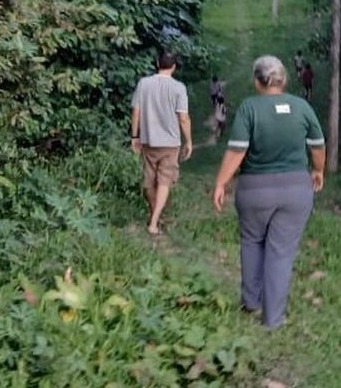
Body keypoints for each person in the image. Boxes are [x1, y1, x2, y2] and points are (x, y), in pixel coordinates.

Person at [212, 55, 326, 329]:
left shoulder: (250, 108)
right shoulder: (301, 107)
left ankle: (251, 302)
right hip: (296, 191)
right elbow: (318, 145)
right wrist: (318, 170)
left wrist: (221, 182)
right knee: (281, 252)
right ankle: (273, 319)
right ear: (284, 79)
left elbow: (237, 150)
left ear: (256, 81)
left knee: (252, 241)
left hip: (255, 190)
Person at [131, 51, 192, 235]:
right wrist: (188, 141)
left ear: (157, 63)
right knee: (164, 181)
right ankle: (154, 221)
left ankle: (154, 214)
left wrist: (135, 136)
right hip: (170, 142)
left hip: (148, 139)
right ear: (174, 67)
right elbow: (183, 118)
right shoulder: (178, 88)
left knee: (149, 181)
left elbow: (135, 111)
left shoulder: (144, 84)